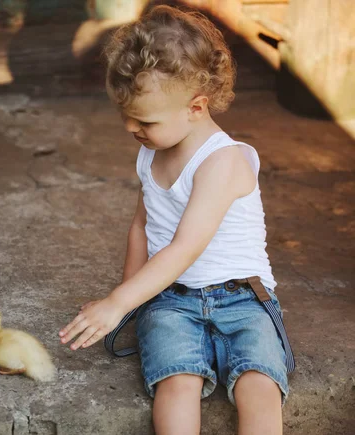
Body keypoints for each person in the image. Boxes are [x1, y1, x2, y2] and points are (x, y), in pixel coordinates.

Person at [59, 5, 290, 434]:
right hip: (172, 300)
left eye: (144, 119)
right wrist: (130, 299)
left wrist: (119, 304)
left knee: (259, 381)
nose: (130, 127)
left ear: (196, 107)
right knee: (176, 379)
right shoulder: (150, 153)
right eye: (124, 115)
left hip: (242, 299)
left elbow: (185, 247)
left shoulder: (223, 162)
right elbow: (142, 226)